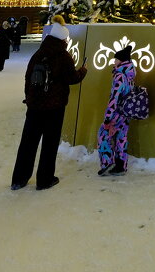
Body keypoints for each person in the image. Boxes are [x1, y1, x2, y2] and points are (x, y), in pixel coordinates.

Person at [11, 16, 86, 191]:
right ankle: (45, 179)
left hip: (34, 106)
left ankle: (19, 179)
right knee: (49, 143)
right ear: (63, 39)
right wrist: (83, 71)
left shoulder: (38, 54)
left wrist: (30, 98)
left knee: (28, 142)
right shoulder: (63, 56)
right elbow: (72, 78)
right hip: (54, 107)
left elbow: (28, 78)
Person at [97, 43, 136, 177]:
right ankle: (120, 166)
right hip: (126, 113)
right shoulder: (130, 75)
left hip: (117, 113)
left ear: (121, 61)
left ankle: (107, 162)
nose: (114, 62)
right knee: (121, 138)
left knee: (103, 134)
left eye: (116, 59)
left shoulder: (120, 76)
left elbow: (114, 98)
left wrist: (108, 118)